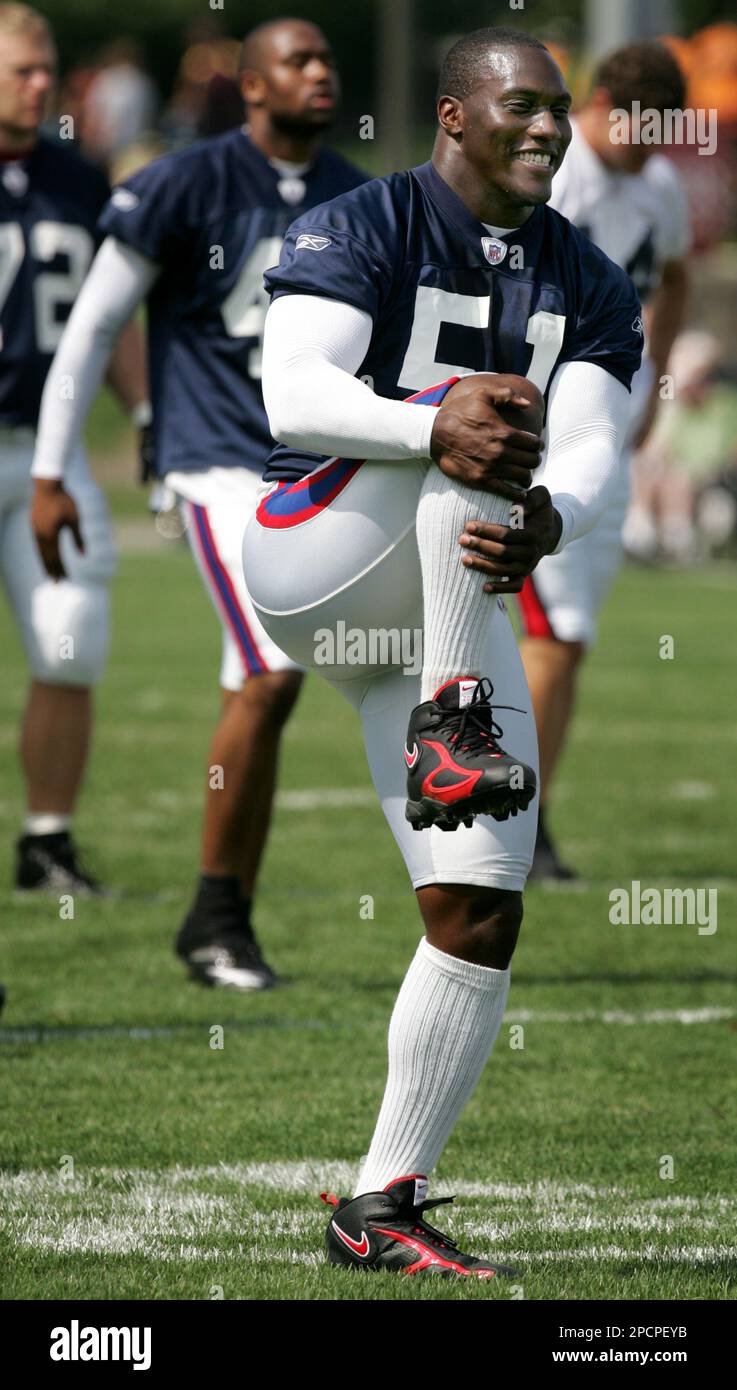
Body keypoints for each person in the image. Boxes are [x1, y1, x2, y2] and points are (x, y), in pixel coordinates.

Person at [243, 26, 641, 1275]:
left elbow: (595, 450)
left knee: (479, 904)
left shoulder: (584, 271)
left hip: (438, 602)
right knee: (481, 419)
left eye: (558, 110)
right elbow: (292, 393)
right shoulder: (365, 224)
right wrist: (432, 425)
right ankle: (457, 729)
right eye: (518, 105)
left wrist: (551, 518)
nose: (545, 127)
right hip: (317, 557)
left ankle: (380, 1200)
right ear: (454, 116)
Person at [30, 19, 367, 989]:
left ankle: (222, 921)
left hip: (314, 469)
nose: (320, 72)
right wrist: (55, 472)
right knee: (269, 672)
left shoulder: (359, 195)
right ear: (250, 86)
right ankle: (216, 914)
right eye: (298, 60)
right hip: (214, 462)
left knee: (267, 682)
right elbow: (94, 325)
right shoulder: (186, 180)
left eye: (326, 57)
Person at [515, 41, 691, 878]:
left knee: (568, 639)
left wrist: (650, 381)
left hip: (607, 424)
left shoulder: (654, 185)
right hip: (540, 425)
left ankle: (524, 810)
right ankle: (509, 814)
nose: (650, 153)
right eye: (640, 133)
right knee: (552, 632)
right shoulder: (551, 166)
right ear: (603, 108)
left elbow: (677, 276)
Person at [0, 3, 147, 893]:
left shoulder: (79, 177)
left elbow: (109, 318)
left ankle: (46, 840)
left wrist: (144, 417)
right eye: (20, 68)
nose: (41, 82)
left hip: (48, 455)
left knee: (71, 638)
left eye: (45, 66)